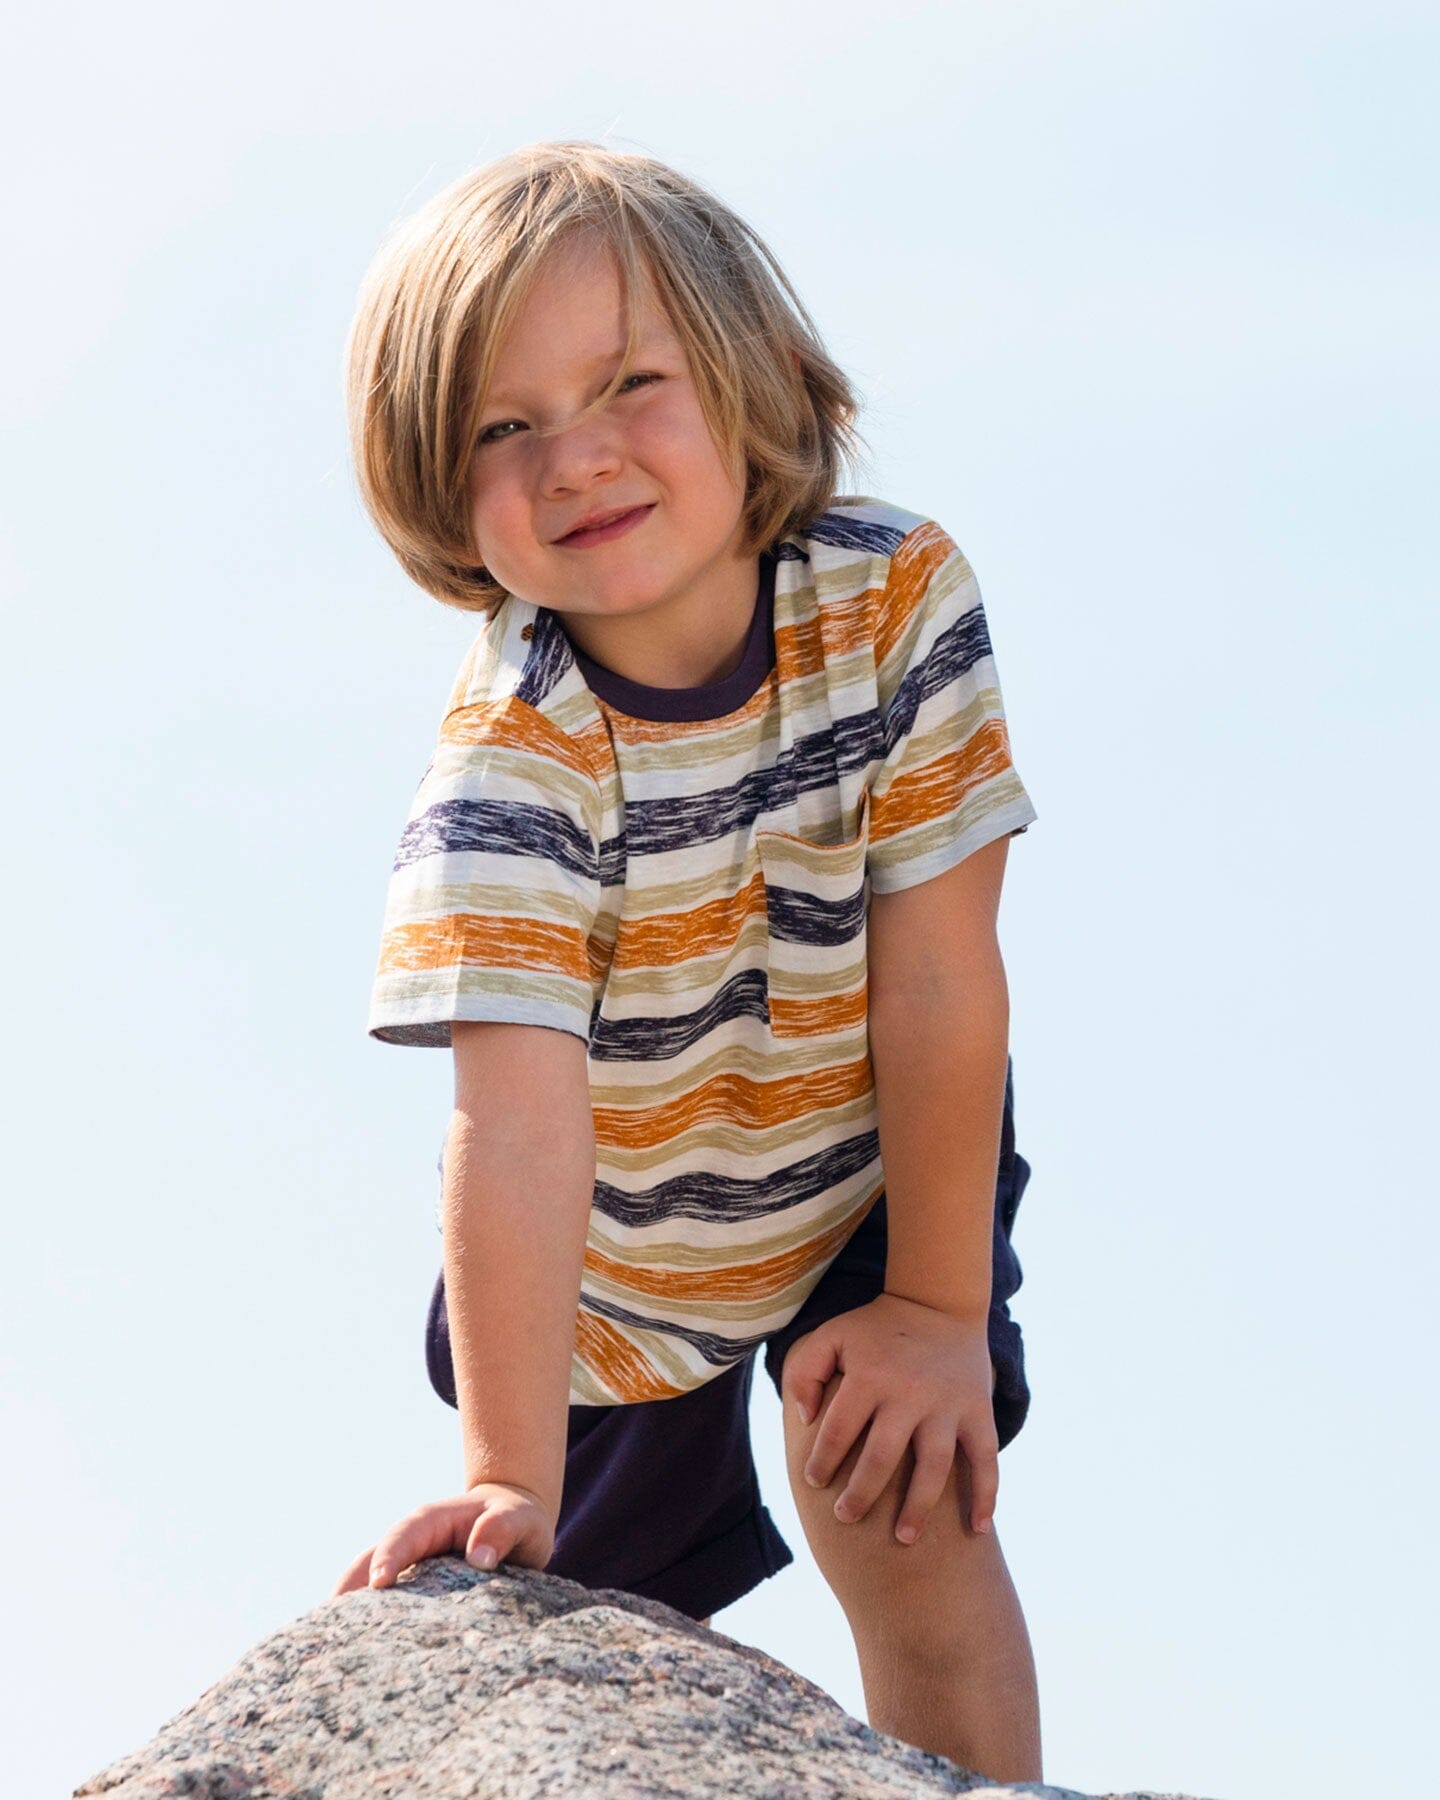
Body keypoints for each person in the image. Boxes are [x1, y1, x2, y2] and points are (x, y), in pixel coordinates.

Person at [331, 140, 1043, 1783]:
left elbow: (940, 973)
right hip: (610, 1253)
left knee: (907, 1510)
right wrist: (509, 1473)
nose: (574, 456)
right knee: (576, 1621)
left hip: (862, 1155)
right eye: (502, 429)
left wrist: (937, 1309)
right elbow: (514, 1121)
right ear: (441, 491)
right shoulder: (510, 766)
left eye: (628, 383)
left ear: (750, 384)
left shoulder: (893, 601)